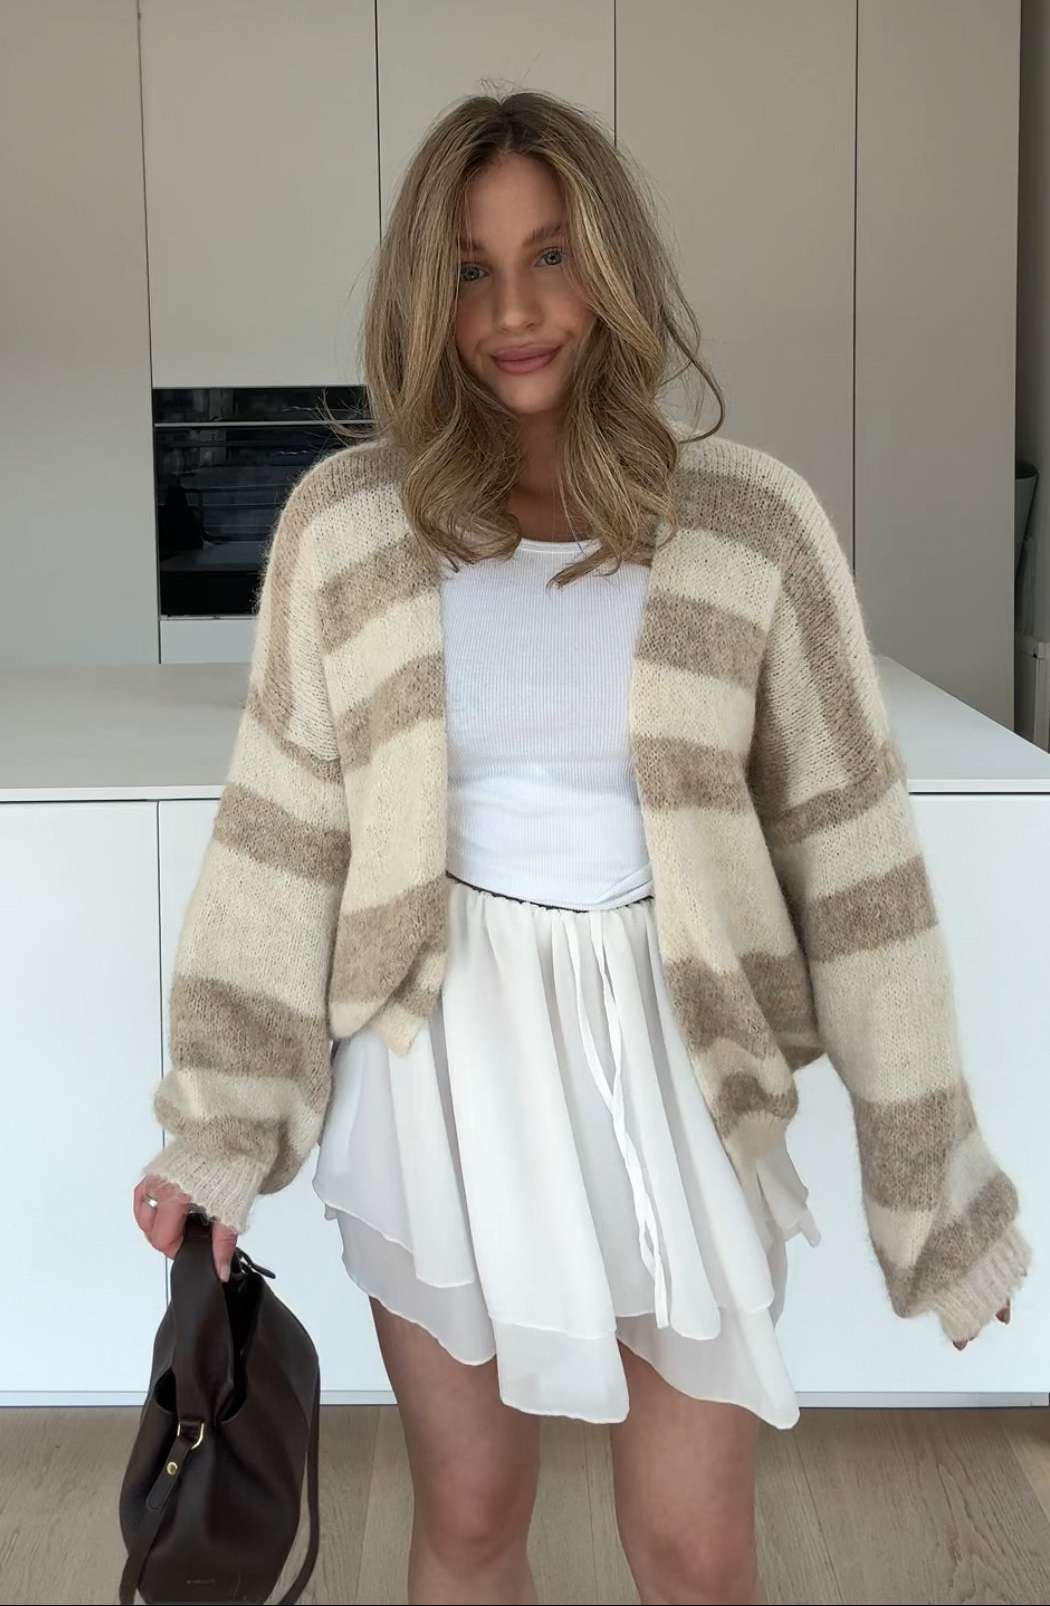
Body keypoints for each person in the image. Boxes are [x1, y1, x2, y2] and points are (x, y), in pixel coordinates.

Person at [133, 90, 1029, 1606]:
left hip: (675, 1069)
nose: (515, 310)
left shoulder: (751, 524)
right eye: (469, 270)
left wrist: (937, 1201)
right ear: (422, 299)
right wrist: (219, 1130)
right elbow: (282, 844)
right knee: (472, 1519)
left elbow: (858, 871)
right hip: (438, 1075)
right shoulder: (348, 526)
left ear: (612, 263)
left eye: (550, 255)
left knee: (694, 1550)